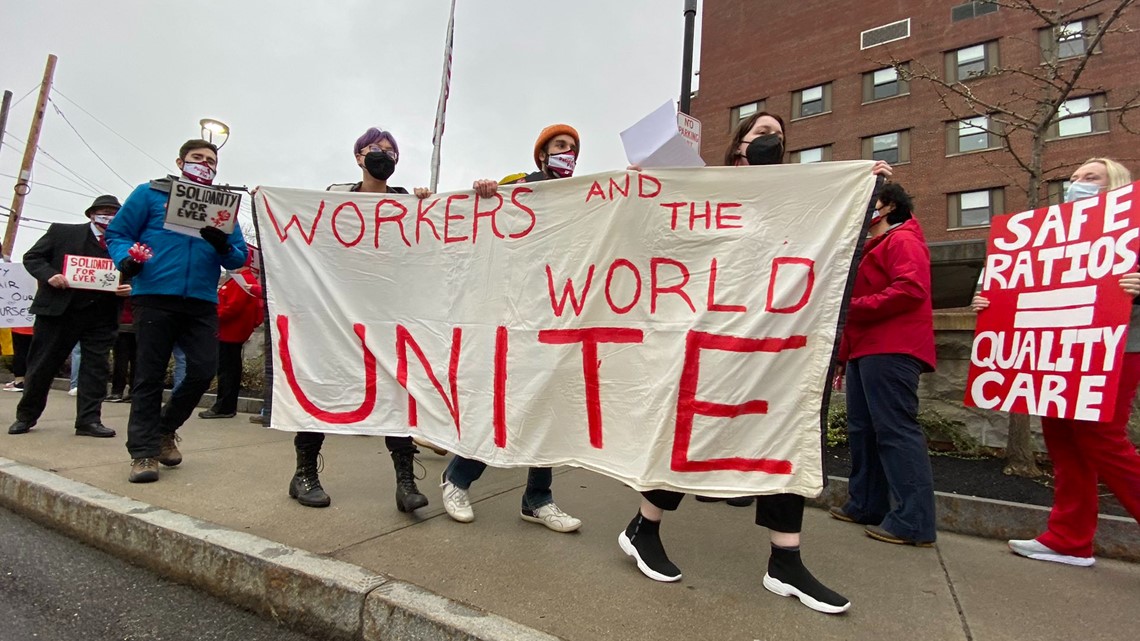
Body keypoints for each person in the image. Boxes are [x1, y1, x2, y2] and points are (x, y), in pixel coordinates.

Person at [618, 112, 891, 615]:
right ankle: (644, 526)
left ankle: (785, 562)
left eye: (779, 137)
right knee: (691, 435)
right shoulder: (706, 190)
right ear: (739, 146)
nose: (773, 141)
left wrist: (860, 184)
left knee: (783, 435)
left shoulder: (792, 197)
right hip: (709, 339)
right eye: (762, 134)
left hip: (772, 342)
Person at [973, 157, 1140, 567]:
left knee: (1102, 438)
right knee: (1063, 441)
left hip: (1117, 345)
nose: (1076, 182)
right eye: (1075, 177)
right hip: (1060, 347)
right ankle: (1069, 539)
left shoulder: (1133, 228)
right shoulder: (1049, 234)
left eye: (1091, 178)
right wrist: (988, 301)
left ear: (1114, 186)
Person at [436, 124, 584, 534]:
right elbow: (484, 213)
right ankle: (458, 477)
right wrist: (484, 189)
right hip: (516, 314)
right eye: (560, 146)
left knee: (546, 407)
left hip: (559, 315)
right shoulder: (521, 186)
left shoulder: (585, 195)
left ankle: (538, 498)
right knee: (510, 406)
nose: (567, 153)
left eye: (572, 148)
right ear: (542, 154)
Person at [287, 126, 433, 512]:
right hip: (336, 316)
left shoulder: (408, 204)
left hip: (387, 317)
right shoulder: (331, 200)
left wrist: (427, 203)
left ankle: (405, 482)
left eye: (390, 150)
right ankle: (304, 473)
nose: (383, 155)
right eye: (375, 149)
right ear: (358, 157)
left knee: (396, 392)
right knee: (322, 386)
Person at [105, 139, 248, 483]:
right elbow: (118, 233)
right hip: (154, 294)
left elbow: (239, 257)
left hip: (201, 300)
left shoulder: (222, 207)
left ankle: (164, 429)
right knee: (149, 377)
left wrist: (223, 244)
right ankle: (143, 454)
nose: (204, 164)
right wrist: (126, 259)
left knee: (202, 370)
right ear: (180, 161)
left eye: (210, 160)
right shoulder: (149, 194)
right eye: (197, 158)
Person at [830, 182, 937, 547]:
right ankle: (866, 504)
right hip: (865, 350)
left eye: (868, 202)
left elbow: (911, 290)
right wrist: (845, 356)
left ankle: (914, 521)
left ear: (888, 206)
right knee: (863, 430)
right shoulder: (873, 246)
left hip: (893, 348)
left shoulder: (903, 240)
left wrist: (851, 309)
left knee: (894, 430)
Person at [8, 194, 128, 438]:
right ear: (92, 214)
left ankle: (89, 420)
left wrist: (129, 285)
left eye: (114, 212)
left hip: (101, 315)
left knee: (96, 369)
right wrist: (50, 275)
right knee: (42, 366)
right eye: (104, 211)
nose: (108, 216)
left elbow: (135, 270)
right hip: (58, 312)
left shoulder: (124, 243)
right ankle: (26, 416)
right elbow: (33, 257)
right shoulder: (63, 232)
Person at [199, 252, 263, 419]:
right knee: (229, 369)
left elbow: (233, 307)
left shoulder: (241, 280)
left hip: (230, 331)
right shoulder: (243, 279)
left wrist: (214, 315)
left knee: (227, 370)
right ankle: (225, 405)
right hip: (233, 331)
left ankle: (224, 406)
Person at [104, 297, 136, 402]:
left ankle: (117, 392)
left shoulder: (120, 286)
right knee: (137, 361)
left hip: (122, 326)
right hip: (138, 326)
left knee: (120, 361)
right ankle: (134, 392)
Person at [4, 326, 33, 392]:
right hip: (37, 327)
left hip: (20, 327)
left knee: (20, 352)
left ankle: (19, 381)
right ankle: (28, 381)